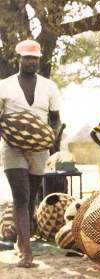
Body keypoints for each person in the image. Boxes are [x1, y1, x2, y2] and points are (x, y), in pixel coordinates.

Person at [0, 39, 62, 268]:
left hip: (39, 149)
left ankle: (20, 241)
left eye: (34, 58)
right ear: (19, 58)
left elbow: (55, 120)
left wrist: (51, 139)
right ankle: (26, 252)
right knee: (21, 196)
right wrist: (10, 132)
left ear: (39, 59)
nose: (31, 61)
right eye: (27, 57)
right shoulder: (4, 85)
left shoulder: (49, 86)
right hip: (12, 147)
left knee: (31, 198)